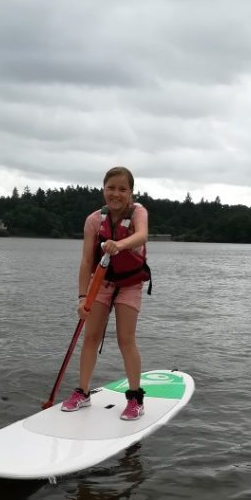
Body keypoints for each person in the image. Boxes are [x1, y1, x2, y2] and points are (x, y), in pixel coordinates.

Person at [61, 166, 151, 421]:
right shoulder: (93, 220)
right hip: (101, 283)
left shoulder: (138, 212)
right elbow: (86, 262)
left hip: (129, 284)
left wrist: (118, 245)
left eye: (123, 189)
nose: (116, 194)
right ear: (103, 189)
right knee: (90, 337)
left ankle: (135, 398)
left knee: (125, 339)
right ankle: (83, 392)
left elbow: (142, 235)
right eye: (111, 188)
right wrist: (82, 297)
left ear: (131, 192)